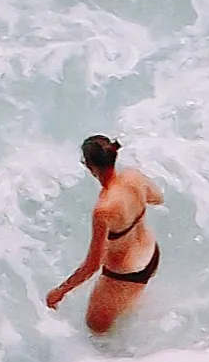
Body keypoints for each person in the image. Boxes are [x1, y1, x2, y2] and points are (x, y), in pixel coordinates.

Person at [46, 131, 163, 334]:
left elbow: (93, 264)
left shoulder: (104, 210)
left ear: (89, 166)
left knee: (96, 329)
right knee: (127, 307)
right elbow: (157, 199)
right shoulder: (133, 176)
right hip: (151, 255)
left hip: (125, 274)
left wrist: (60, 291)